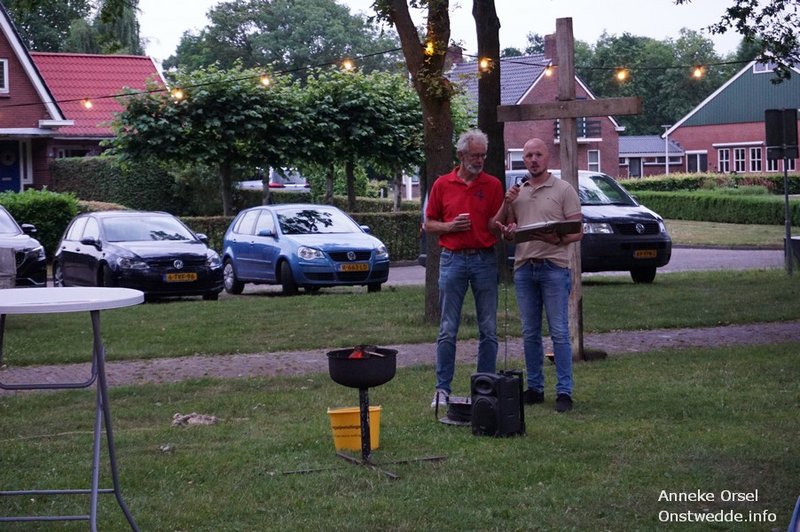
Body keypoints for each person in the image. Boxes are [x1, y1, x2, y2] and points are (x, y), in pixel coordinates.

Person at [491, 138, 583, 413]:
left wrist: (557, 239)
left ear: (547, 157)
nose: (533, 160)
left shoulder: (563, 189)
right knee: (530, 331)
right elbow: (504, 228)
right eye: (528, 155)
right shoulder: (518, 192)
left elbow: (577, 231)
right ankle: (535, 387)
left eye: (538, 155)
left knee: (559, 331)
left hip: (554, 267)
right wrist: (507, 211)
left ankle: (564, 392)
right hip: (524, 268)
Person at [425, 129, 504, 408]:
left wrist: (506, 221)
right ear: (461, 155)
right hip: (452, 259)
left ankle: (485, 388)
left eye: (483, 155)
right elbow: (428, 224)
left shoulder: (493, 185)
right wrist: (450, 226)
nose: (479, 160)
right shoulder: (442, 184)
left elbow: (496, 224)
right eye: (474, 155)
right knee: (448, 328)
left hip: (484, 259)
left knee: (489, 328)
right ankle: (442, 390)